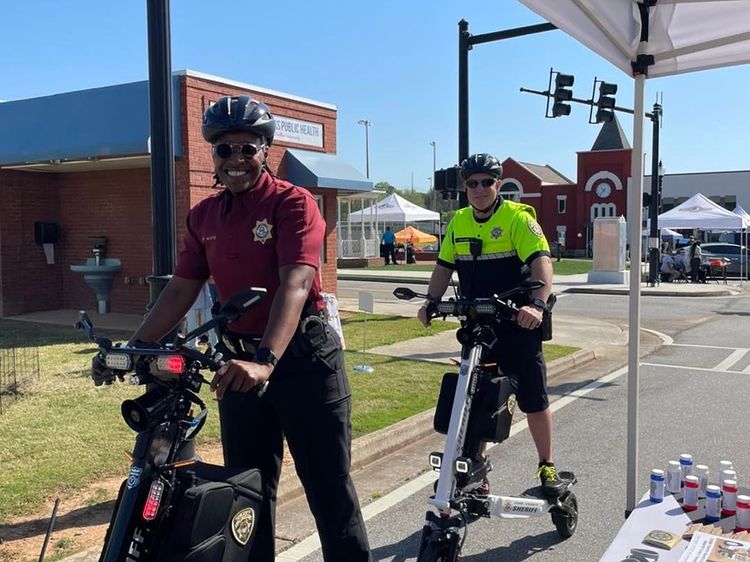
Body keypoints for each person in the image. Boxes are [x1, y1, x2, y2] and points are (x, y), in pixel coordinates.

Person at [94, 95, 371, 561]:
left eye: (248, 148)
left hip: (302, 359)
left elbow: (297, 283)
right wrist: (137, 348)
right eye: (225, 150)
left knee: (328, 487)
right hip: (237, 367)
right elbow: (181, 289)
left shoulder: (294, 204)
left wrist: (265, 360)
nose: (237, 159)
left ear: (266, 150)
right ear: (212, 156)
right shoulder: (204, 216)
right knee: (248, 493)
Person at [417, 153, 564, 497]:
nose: (480, 188)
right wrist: (430, 302)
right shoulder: (458, 221)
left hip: (518, 324)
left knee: (534, 400)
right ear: (465, 188)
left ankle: (546, 465)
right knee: (475, 399)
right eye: (472, 183)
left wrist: (538, 306)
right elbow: (443, 268)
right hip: (479, 327)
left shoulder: (517, 219)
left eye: (487, 182)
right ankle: (477, 470)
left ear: (498, 185)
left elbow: (542, 264)